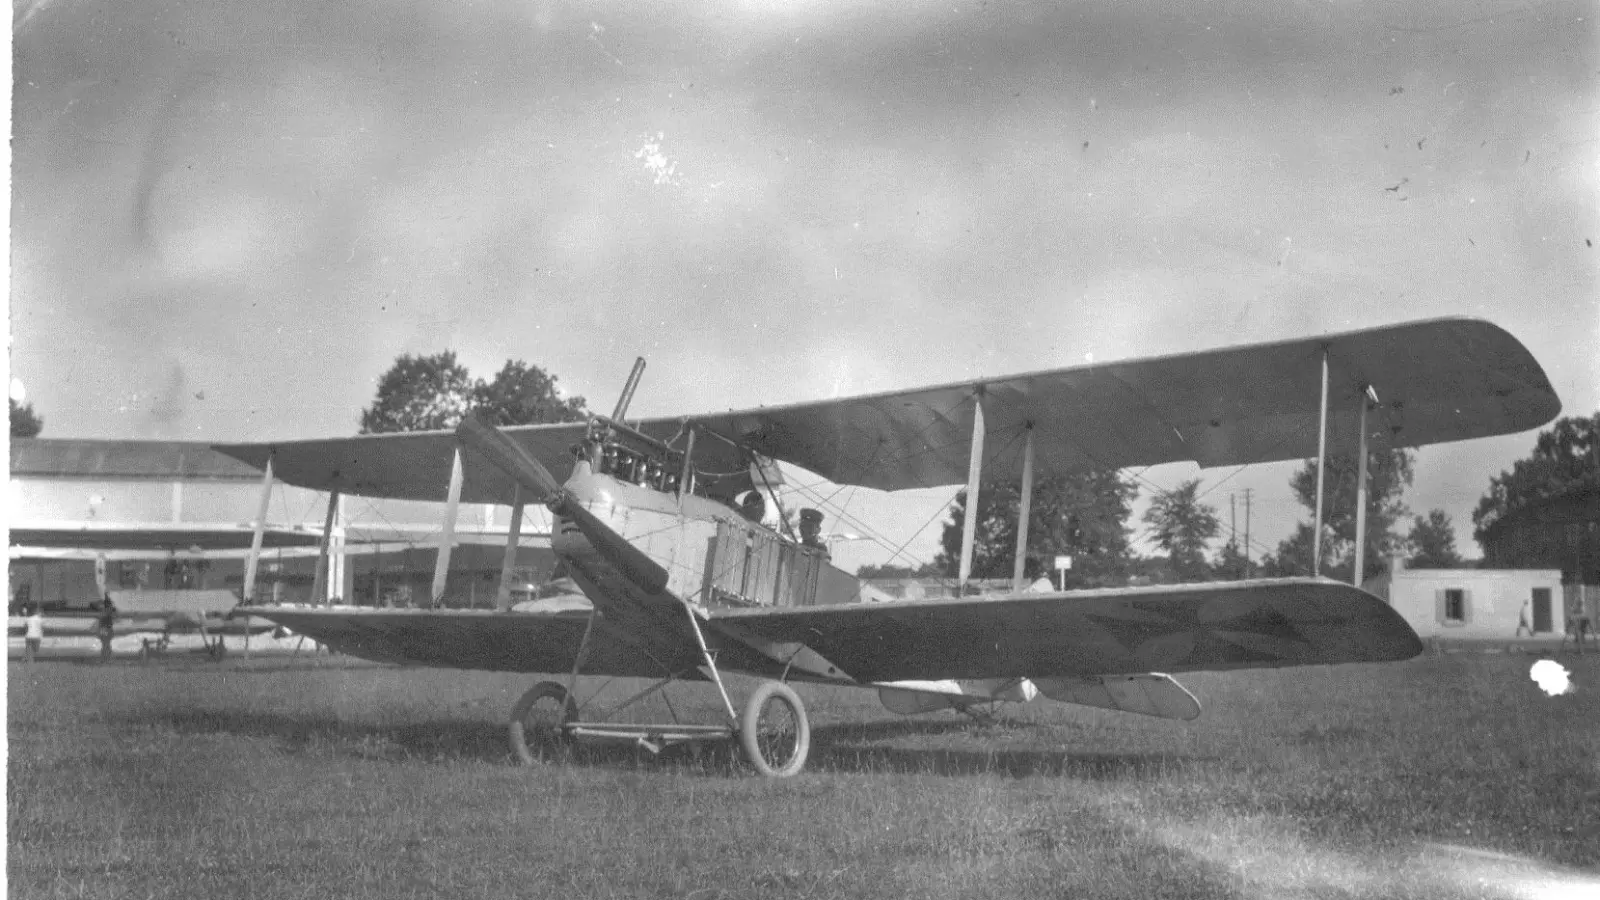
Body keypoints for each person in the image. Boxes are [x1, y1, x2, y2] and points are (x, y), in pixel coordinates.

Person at [97, 596, 118, 662]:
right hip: (107, 629)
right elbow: (114, 617)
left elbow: (101, 620)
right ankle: (106, 658)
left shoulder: (104, 611)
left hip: (104, 629)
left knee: (105, 644)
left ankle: (104, 658)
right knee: (107, 644)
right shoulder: (109, 611)